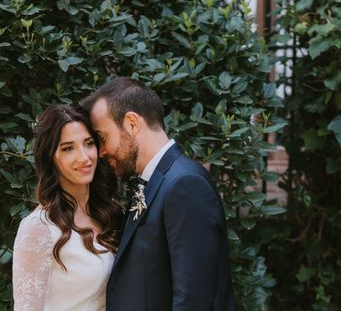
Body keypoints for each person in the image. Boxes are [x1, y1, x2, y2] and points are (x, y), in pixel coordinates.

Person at [81, 77, 236, 310]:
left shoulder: (185, 185)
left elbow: (193, 300)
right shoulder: (155, 181)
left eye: (103, 138)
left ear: (132, 123)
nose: (101, 152)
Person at [12, 104, 123, 311]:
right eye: (68, 148)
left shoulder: (110, 214)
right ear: (50, 157)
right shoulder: (39, 228)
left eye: (89, 143)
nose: (84, 157)